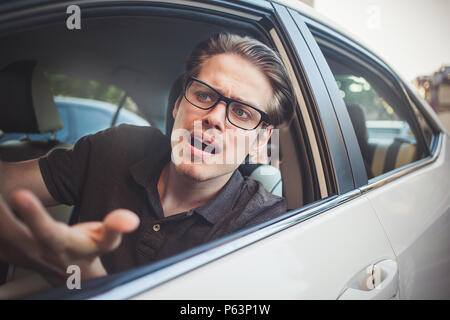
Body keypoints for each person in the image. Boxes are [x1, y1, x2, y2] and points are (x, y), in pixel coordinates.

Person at [0, 33, 295, 286]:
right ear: (179, 104)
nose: (214, 118)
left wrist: (89, 283)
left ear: (260, 138)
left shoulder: (264, 228)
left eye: (242, 112)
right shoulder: (118, 147)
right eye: (204, 95)